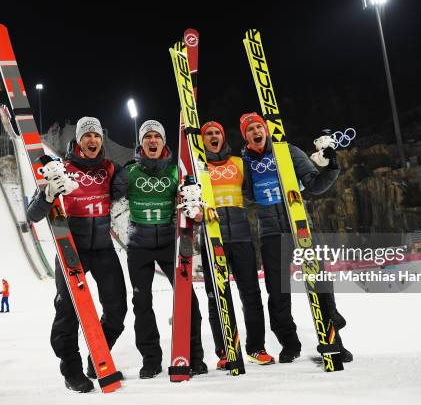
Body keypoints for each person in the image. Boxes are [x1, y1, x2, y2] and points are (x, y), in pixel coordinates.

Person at [239, 112, 352, 364]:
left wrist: (332, 166)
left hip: (299, 227)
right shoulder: (243, 162)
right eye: (250, 129)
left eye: (259, 127)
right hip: (270, 233)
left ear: (266, 130)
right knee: (277, 293)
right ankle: (289, 343)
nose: (256, 132)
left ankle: (333, 341)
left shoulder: (288, 151)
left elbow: (314, 184)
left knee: (319, 282)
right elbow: (244, 194)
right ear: (245, 136)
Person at [27, 116, 127, 393]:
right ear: (79, 140)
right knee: (67, 312)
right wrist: (47, 195)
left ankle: (99, 358)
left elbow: (126, 196)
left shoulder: (110, 169)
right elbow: (33, 215)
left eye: (96, 135)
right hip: (73, 249)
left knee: (117, 310)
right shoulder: (62, 169)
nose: (92, 140)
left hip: (104, 249)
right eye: (87, 136)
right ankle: (71, 371)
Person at [121, 119, 207, 379]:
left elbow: (194, 206)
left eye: (157, 136)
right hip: (139, 246)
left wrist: (197, 211)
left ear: (164, 141)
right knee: (142, 304)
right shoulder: (129, 172)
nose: (152, 141)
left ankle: (195, 356)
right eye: (147, 137)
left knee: (188, 299)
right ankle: (151, 359)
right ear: (141, 142)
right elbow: (107, 195)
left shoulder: (176, 171)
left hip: (171, 245)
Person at [200, 121, 274, 369]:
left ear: (223, 137)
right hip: (213, 240)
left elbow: (254, 191)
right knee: (217, 298)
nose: (213, 136)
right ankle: (224, 350)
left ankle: (256, 347)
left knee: (251, 294)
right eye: (208, 133)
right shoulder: (198, 166)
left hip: (242, 237)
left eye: (217, 133)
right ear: (202, 139)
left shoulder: (239, 163)